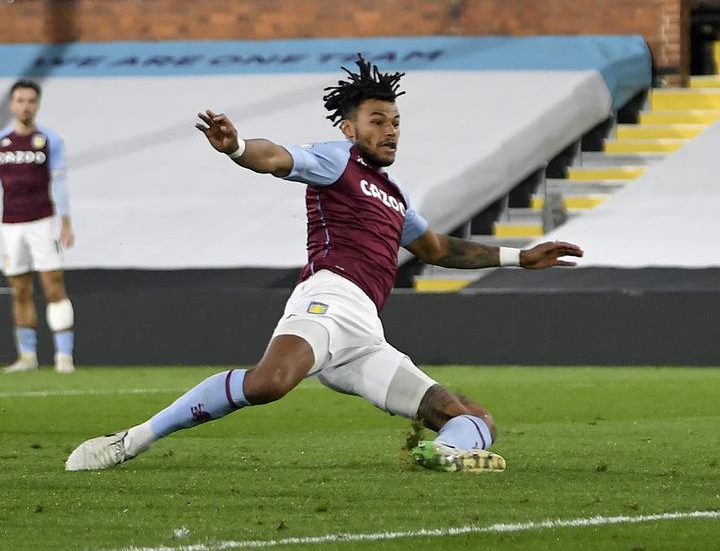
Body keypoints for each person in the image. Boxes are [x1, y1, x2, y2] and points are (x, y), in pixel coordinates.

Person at [65, 58, 584, 472]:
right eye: (377, 121)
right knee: (268, 384)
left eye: (396, 122)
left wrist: (521, 257)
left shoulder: (395, 197)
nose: (390, 131)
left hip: (365, 335)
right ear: (348, 126)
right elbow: (276, 158)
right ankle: (129, 441)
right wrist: (239, 147)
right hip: (328, 300)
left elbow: (439, 250)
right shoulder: (338, 160)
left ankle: (444, 454)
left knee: (472, 417)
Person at [1, 81, 76, 374]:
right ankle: (28, 356)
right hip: (10, 225)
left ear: (38, 104)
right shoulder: (2, 144)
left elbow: (60, 182)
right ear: (12, 104)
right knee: (20, 289)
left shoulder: (49, 141)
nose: (25, 106)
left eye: (31, 100)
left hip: (42, 222)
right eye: (20, 100)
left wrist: (65, 221)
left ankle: (63, 356)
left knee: (52, 284)